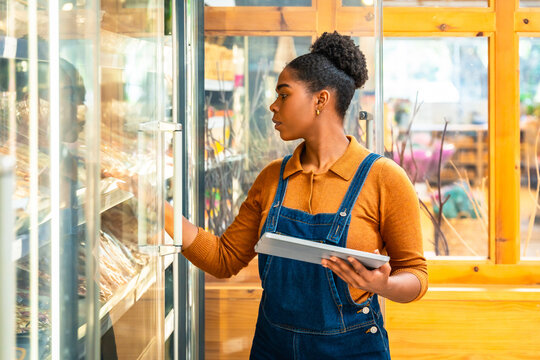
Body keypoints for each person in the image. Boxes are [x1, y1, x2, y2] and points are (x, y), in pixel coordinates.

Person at [166, 31, 427, 359]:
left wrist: (384, 287)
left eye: (284, 95)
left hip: (352, 351)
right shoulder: (272, 178)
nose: (273, 106)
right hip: (272, 349)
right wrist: (155, 205)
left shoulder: (384, 178)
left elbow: (415, 274)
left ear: (320, 100)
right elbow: (223, 259)